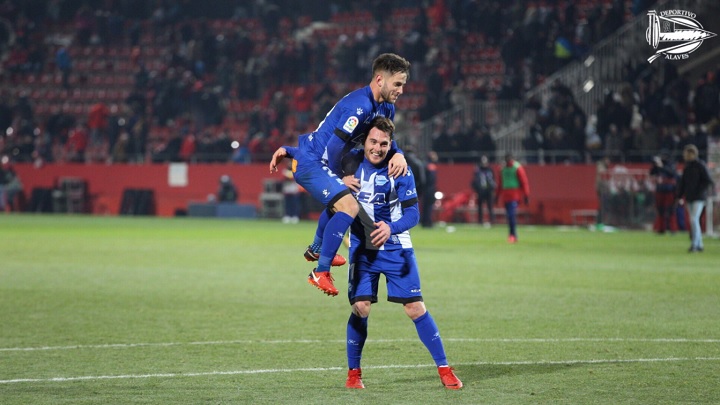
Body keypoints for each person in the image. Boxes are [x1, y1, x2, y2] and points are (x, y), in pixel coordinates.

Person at [269, 53, 411, 296]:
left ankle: (316, 248)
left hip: (313, 157)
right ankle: (320, 272)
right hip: (312, 163)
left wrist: (398, 153)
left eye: (403, 85)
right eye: (397, 84)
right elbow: (333, 147)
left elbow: (385, 138)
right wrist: (339, 178)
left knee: (343, 202)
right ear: (379, 80)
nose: (400, 90)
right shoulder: (361, 106)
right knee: (348, 205)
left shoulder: (386, 108)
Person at [340, 117, 462, 390]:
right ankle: (353, 374)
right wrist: (340, 182)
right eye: (373, 142)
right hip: (362, 247)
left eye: (384, 144)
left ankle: (444, 369)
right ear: (365, 141)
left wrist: (391, 228)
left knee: (415, 307)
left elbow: (414, 214)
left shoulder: (400, 169)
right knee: (360, 307)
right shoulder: (349, 162)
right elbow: (320, 171)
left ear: (390, 145)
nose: (378, 148)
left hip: (396, 247)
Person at [676, 144, 714, 253]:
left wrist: (700, 191)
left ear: (692, 154)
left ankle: (694, 244)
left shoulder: (700, 166)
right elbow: (683, 183)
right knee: (693, 220)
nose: (684, 155)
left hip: (698, 198)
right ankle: (700, 244)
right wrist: (679, 196)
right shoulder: (687, 167)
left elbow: (708, 180)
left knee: (694, 219)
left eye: (686, 153)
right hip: (689, 197)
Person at [495, 152, 530, 243]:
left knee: (511, 215)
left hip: (514, 195)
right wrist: (497, 196)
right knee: (509, 216)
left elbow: (524, 182)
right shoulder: (502, 169)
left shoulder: (517, 168)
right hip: (506, 196)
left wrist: (526, 195)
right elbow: (500, 184)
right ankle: (512, 235)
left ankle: (513, 235)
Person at [649, 153, 678, 234]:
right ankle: (661, 228)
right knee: (660, 210)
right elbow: (652, 173)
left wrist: (662, 166)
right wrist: (655, 166)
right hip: (660, 190)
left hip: (669, 190)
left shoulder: (671, 165)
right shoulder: (657, 166)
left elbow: (673, 174)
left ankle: (673, 229)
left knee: (671, 210)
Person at [471, 155, 496, 225]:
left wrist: (492, 188)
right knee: (480, 207)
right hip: (481, 191)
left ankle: (492, 220)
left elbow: (493, 180)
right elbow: (475, 181)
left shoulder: (490, 170)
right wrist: (477, 189)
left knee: (490, 206)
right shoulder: (478, 170)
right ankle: (480, 220)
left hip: (489, 191)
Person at [420, 151, 438, 228]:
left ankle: (424, 221)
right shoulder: (431, 166)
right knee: (429, 206)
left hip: (424, 188)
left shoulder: (424, 165)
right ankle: (428, 221)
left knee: (424, 206)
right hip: (430, 189)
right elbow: (432, 179)